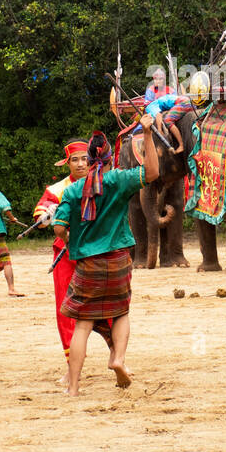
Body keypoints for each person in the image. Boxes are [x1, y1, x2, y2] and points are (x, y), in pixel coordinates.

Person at [53, 117, 159, 396]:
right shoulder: (120, 180)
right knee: (121, 311)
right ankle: (118, 359)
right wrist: (147, 133)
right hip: (119, 259)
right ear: (111, 158)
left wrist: (70, 237)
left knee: (83, 324)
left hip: (88, 264)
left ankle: (74, 387)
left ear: (87, 161)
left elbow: (58, 227)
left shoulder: (73, 190)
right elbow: (152, 173)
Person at [35, 138, 114, 383]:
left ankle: (117, 355)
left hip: (98, 251)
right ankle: (72, 367)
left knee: (110, 306)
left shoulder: (105, 183)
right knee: (67, 308)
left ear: (92, 161)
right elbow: (42, 212)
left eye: (84, 159)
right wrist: (48, 215)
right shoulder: (57, 190)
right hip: (66, 253)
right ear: (67, 163)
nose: (80, 164)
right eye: (75, 160)